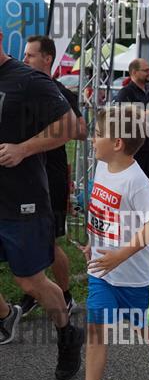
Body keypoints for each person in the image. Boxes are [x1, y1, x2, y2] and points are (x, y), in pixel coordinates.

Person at [57, 105, 149, 380]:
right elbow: (103, 213)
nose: (93, 139)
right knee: (96, 327)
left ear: (117, 143)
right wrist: (94, 243)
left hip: (135, 276)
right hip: (102, 272)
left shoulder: (137, 182)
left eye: (98, 134)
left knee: (143, 327)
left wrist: (120, 255)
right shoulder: (103, 167)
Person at [0, 28, 84, 380]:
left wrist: (23, 149)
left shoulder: (28, 80)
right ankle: (7, 317)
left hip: (22, 200)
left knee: (30, 281)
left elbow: (70, 127)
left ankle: (67, 332)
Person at [21, 35, 88, 316]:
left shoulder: (57, 91)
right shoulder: (22, 88)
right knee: (26, 237)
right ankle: (34, 291)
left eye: (30, 55)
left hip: (51, 176)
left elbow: (81, 131)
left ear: (47, 59)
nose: (24, 60)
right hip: (25, 176)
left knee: (49, 240)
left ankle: (66, 296)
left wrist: (50, 130)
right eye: (24, 55)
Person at [114, 58, 149, 181]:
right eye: (146, 70)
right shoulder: (125, 93)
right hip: (132, 149)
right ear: (134, 72)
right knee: (132, 182)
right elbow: (122, 114)